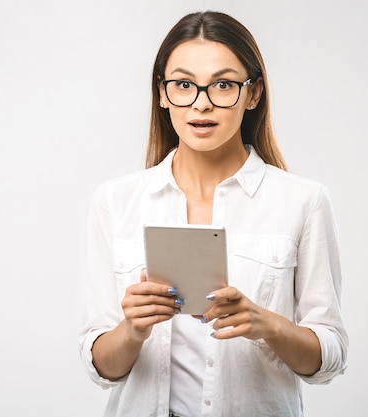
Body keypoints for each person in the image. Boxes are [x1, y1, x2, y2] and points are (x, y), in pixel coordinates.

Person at [79, 10, 348, 417]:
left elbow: (329, 357)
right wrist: (132, 330)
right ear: (162, 93)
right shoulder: (114, 201)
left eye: (223, 85)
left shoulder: (303, 201)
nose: (201, 104)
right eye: (184, 84)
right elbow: (101, 366)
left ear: (252, 94)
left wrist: (267, 325)